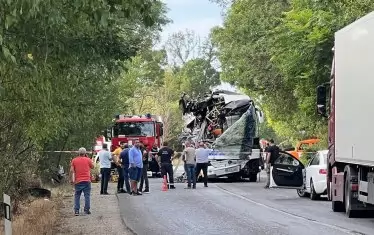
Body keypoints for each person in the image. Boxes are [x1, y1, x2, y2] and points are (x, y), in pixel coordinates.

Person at [70, 147, 94, 216]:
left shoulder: (74, 160)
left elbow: (71, 170)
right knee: (87, 195)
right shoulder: (88, 159)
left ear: (78, 153)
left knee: (77, 195)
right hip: (87, 180)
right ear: (85, 153)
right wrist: (88, 158)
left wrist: (71, 179)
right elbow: (92, 167)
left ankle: (76, 210)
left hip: (78, 181)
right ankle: (86, 210)